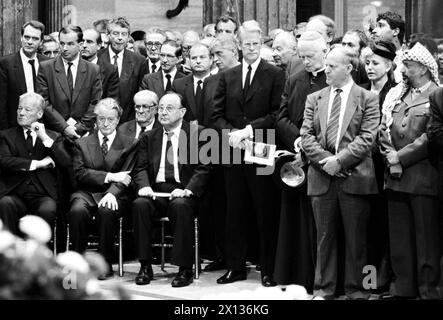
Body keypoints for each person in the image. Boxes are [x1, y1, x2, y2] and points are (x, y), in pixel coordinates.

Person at [300, 46, 380, 300]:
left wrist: (341, 162)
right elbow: (306, 136)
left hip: (355, 177)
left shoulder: (368, 98)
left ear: (348, 68)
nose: (327, 70)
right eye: (326, 65)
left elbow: (367, 138)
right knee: (324, 240)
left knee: (359, 242)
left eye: (332, 66)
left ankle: (361, 291)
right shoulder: (315, 98)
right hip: (322, 177)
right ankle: (323, 290)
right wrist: (328, 162)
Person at [212, 20, 285, 287]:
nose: (252, 48)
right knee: (235, 211)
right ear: (239, 46)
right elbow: (215, 114)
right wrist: (232, 133)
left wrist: (249, 130)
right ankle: (236, 267)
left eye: (256, 43)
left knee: (264, 209)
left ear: (261, 44)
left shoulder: (275, 73)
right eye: (247, 44)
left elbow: (278, 113)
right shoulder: (227, 76)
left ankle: (268, 268)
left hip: (262, 147)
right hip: (232, 150)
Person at [379, 42, 441, 299]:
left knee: (426, 241)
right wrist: (388, 155)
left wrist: (400, 157)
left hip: (423, 178)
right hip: (395, 177)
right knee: (399, 239)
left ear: (425, 69)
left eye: (409, 65)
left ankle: (428, 292)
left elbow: (432, 136)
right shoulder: (398, 95)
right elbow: (384, 128)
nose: (403, 70)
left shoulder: (437, 95)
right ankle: (402, 289)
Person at [131, 92, 211, 287]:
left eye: (169, 108)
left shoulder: (197, 133)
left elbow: (204, 168)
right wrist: (144, 186)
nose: (163, 113)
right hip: (157, 191)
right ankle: (145, 265)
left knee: (180, 206)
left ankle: (185, 269)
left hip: (184, 192)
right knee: (140, 204)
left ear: (182, 112)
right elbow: (140, 168)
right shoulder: (149, 137)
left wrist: (187, 189)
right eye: (160, 108)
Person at [274, 31, 329, 292]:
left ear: (325, 52)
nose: (306, 61)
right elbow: (281, 117)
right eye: (302, 56)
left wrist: (312, 146)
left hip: (324, 161)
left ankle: (321, 278)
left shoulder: (333, 79)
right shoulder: (294, 80)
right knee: (295, 222)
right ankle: (296, 276)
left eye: (311, 56)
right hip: (296, 162)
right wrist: (297, 140)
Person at [68, 98, 136, 280]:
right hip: (86, 192)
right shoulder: (82, 143)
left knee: (107, 210)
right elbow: (80, 173)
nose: (106, 124)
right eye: (101, 119)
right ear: (96, 120)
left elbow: (128, 175)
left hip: (116, 193)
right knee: (77, 210)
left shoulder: (130, 143)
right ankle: (76, 262)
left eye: (111, 119)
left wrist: (112, 193)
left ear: (118, 120)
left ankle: (105, 262)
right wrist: (110, 176)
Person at [0, 92, 70, 234]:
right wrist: (39, 164)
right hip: (15, 193)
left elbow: (65, 163)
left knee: (48, 209)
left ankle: (38, 251)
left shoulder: (53, 136)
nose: (21, 113)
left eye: (27, 109)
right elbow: (5, 161)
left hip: (43, 195)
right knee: (5, 203)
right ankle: (10, 250)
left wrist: (44, 138)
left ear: (39, 114)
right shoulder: (6, 135)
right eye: (19, 108)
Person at [360, 40, 398, 293]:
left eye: (375, 63)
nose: (370, 67)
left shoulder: (395, 92)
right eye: (367, 63)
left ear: (389, 65)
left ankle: (381, 281)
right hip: (360, 168)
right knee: (363, 231)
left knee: (382, 229)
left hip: (383, 167)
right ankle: (366, 281)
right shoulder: (360, 91)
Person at [36, 25, 102, 140]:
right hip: (54, 134)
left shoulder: (93, 70)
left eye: (70, 44)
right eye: (62, 43)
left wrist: (79, 128)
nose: (65, 48)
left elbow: (95, 102)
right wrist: (65, 127)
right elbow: (44, 102)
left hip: (84, 135)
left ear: (80, 45)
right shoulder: (46, 68)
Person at [0, 20, 49, 130]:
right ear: (21, 38)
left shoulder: (47, 63)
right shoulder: (6, 64)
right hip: (14, 128)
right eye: (26, 37)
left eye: (35, 38)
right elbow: (2, 103)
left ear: (41, 42)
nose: (29, 42)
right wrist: (5, 133)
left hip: (44, 127)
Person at [97, 17, 147, 123]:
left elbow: (140, 92)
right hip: (100, 119)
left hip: (128, 119)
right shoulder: (97, 57)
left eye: (124, 34)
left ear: (128, 37)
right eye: (115, 33)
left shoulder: (139, 61)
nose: (120, 38)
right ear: (108, 35)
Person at [172, 43, 214, 124]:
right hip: (186, 133)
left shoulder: (220, 84)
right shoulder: (178, 85)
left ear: (211, 60)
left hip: (213, 133)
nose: (198, 61)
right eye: (194, 58)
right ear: (189, 60)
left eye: (202, 57)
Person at [81, 28, 119, 100]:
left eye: (89, 42)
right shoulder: (70, 65)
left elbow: (111, 100)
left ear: (98, 45)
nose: (84, 45)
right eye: (82, 41)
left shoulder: (110, 70)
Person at [371, 11, 406, 83]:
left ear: (395, 31)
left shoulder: (407, 59)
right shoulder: (371, 56)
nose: (374, 30)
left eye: (381, 26)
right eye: (375, 27)